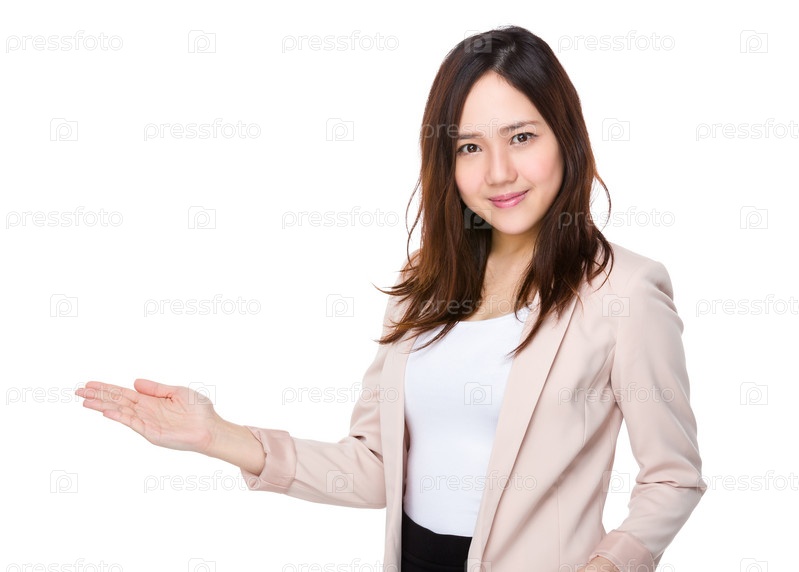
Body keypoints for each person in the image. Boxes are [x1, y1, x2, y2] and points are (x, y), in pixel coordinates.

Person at [76, 25, 706, 572]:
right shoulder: (424, 283)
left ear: (565, 137)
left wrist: (606, 565)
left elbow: (673, 478)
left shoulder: (625, 292)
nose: (498, 173)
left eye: (521, 137)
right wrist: (219, 436)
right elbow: (376, 466)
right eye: (469, 147)